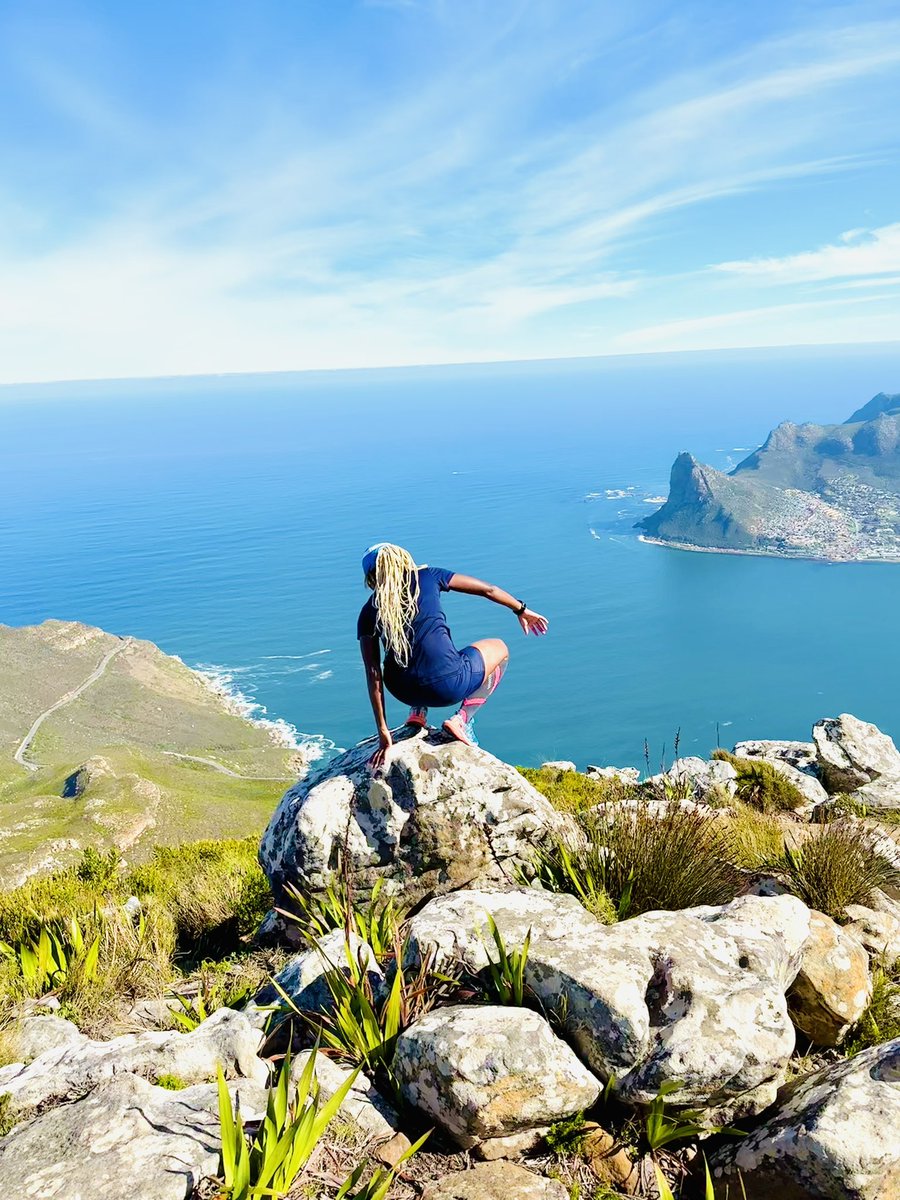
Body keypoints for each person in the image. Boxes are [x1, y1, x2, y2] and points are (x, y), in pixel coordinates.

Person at [358, 542, 548, 770]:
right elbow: (488, 590)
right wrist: (521, 609)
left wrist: (383, 731)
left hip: (403, 691)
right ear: (403, 560)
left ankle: (417, 712)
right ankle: (461, 720)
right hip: (447, 686)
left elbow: (373, 673)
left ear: (371, 577)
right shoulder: (428, 577)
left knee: (407, 653)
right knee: (499, 649)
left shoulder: (368, 612)